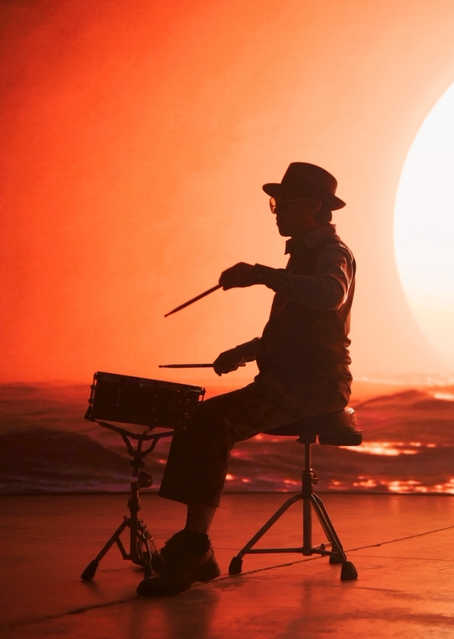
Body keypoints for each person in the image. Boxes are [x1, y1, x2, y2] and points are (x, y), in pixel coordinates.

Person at [137, 162, 356, 596]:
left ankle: (196, 548)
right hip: (287, 381)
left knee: (210, 421)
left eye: (284, 203)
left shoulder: (334, 253)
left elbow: (332, 294)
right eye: (275, 203)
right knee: (196, 418)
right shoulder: (300, 259)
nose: (276, 211)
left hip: (316, 386)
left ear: (314, 207)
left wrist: (260, 275)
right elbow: (294, 332)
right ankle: (193, 544)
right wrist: (245, 351)